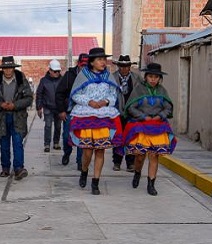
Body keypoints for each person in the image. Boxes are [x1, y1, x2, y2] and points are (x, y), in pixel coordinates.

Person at [68, 47, 123, 195]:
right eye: (99, 59)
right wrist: (89, 102)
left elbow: (113, 95)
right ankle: (84, 171)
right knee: (87, 151)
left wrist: (105, 101)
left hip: (104, 116)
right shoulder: (82, 76)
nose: (103, 62)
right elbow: (75, 95)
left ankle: (95, 182)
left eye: (104, 59)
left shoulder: (109, 76)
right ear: (91, 62)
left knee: (100, 150)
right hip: (86, 115)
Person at [123, 62, 177, 196]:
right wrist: (143, 116)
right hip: (141, 124)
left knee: (154, 155)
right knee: (140, 156)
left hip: (158, 125)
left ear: (160, 78)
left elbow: (168, 107)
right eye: (151, 76)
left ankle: (151, 184)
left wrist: (160, 116)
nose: (153, 79)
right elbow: (131, 107)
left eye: (156, 77)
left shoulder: (162, 91)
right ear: (146, 77)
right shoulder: (138, 89)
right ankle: (137, 173)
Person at [0, 56, 33, 179]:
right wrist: (1, 105)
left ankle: (19, 168)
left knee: (18, 142)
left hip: (18, 117)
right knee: (4, 144)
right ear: (2, 69)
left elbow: (29, 98)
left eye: (10, 68)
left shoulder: (21, 80)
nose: (8, 71)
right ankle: (5, 168)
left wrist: (15, 105)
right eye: (5, 68)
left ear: (14, 68)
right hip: (1, 117)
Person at [55, 53, 89, 168]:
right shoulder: (69, 75)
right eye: (82, 65)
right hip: (69, 111)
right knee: (66, 136)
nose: (84, 68)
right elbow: (59, 93)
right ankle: (67, 153)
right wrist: (61, 111)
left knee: (82, 138)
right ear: (78, 64)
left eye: (86, 66)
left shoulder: (92, 77)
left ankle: (80, 161)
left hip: (85, 112)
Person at [111, 55, 141, 172]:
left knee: (131, 138)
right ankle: (117, 162)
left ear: (130, 66)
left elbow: (140, 95)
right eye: (122, 66)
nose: (124, 69)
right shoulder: (112, 78)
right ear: (118, 66)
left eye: (126, 66)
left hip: (132, 113)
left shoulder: (137, 79)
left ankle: (130, 163)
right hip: (117, 113)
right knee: (118, 138)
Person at [35, 59, 63, 152]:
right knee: (48, 126)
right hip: (48, 107)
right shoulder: (44, 81)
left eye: (58, 71)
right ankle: (47, 144)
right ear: (50, 70)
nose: (57, 73)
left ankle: (56, 142)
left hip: (59, 108)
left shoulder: (62, 80)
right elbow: (39, 94)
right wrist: (39, 107)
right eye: (55, 71)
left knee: (58, 126)